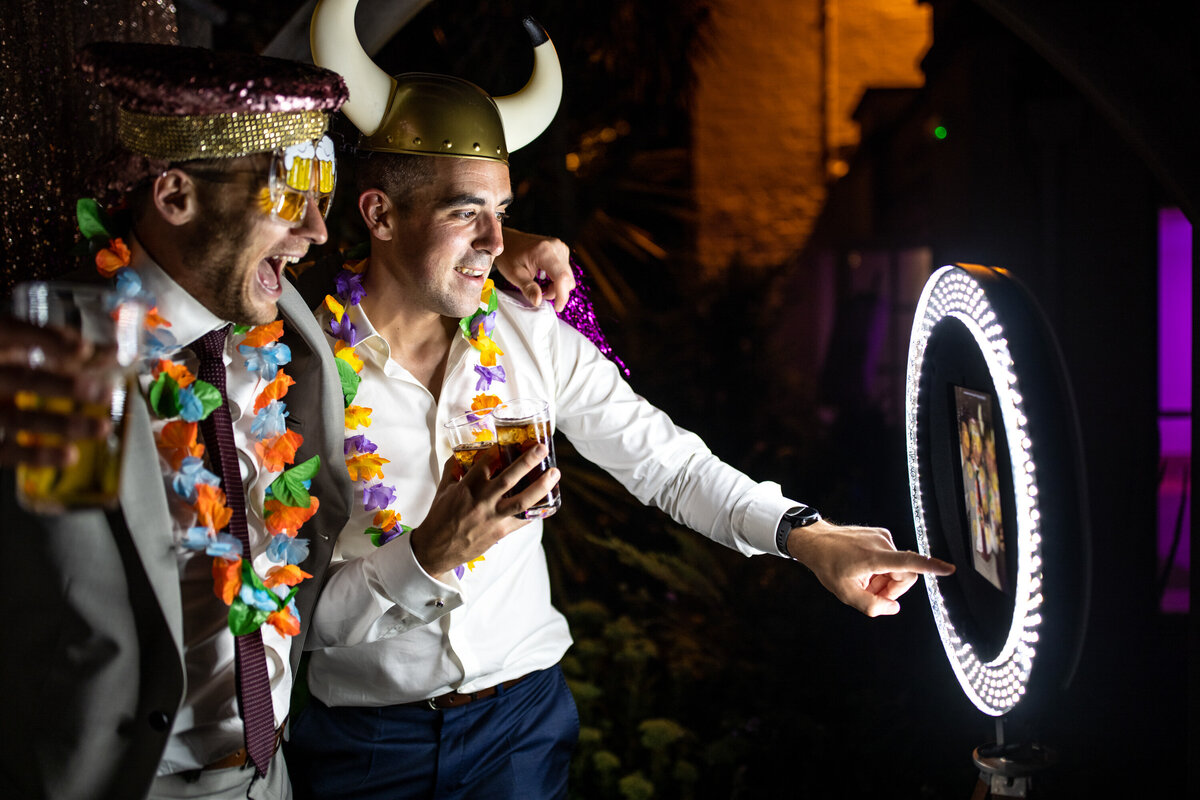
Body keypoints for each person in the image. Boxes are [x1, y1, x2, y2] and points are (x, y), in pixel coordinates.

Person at [284, 4, 956, 798]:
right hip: (362, 747)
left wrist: (805, 537)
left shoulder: (530, 335)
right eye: (467, 212)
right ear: (379, 214)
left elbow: (667, 464)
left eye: (503, 213)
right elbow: (298, 620)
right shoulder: (298, 371)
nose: (498, 243)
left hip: (518, 731)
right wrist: (426, 556)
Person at [0, 41, 573, 800]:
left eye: (323, 188)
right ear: (176, 197)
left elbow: (404, 260)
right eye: (287, 191)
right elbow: (51, 575)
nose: (314, 229)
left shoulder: (290, 335)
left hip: (276, 777)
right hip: (136, 781)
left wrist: (493, 239)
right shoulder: (64, 358)